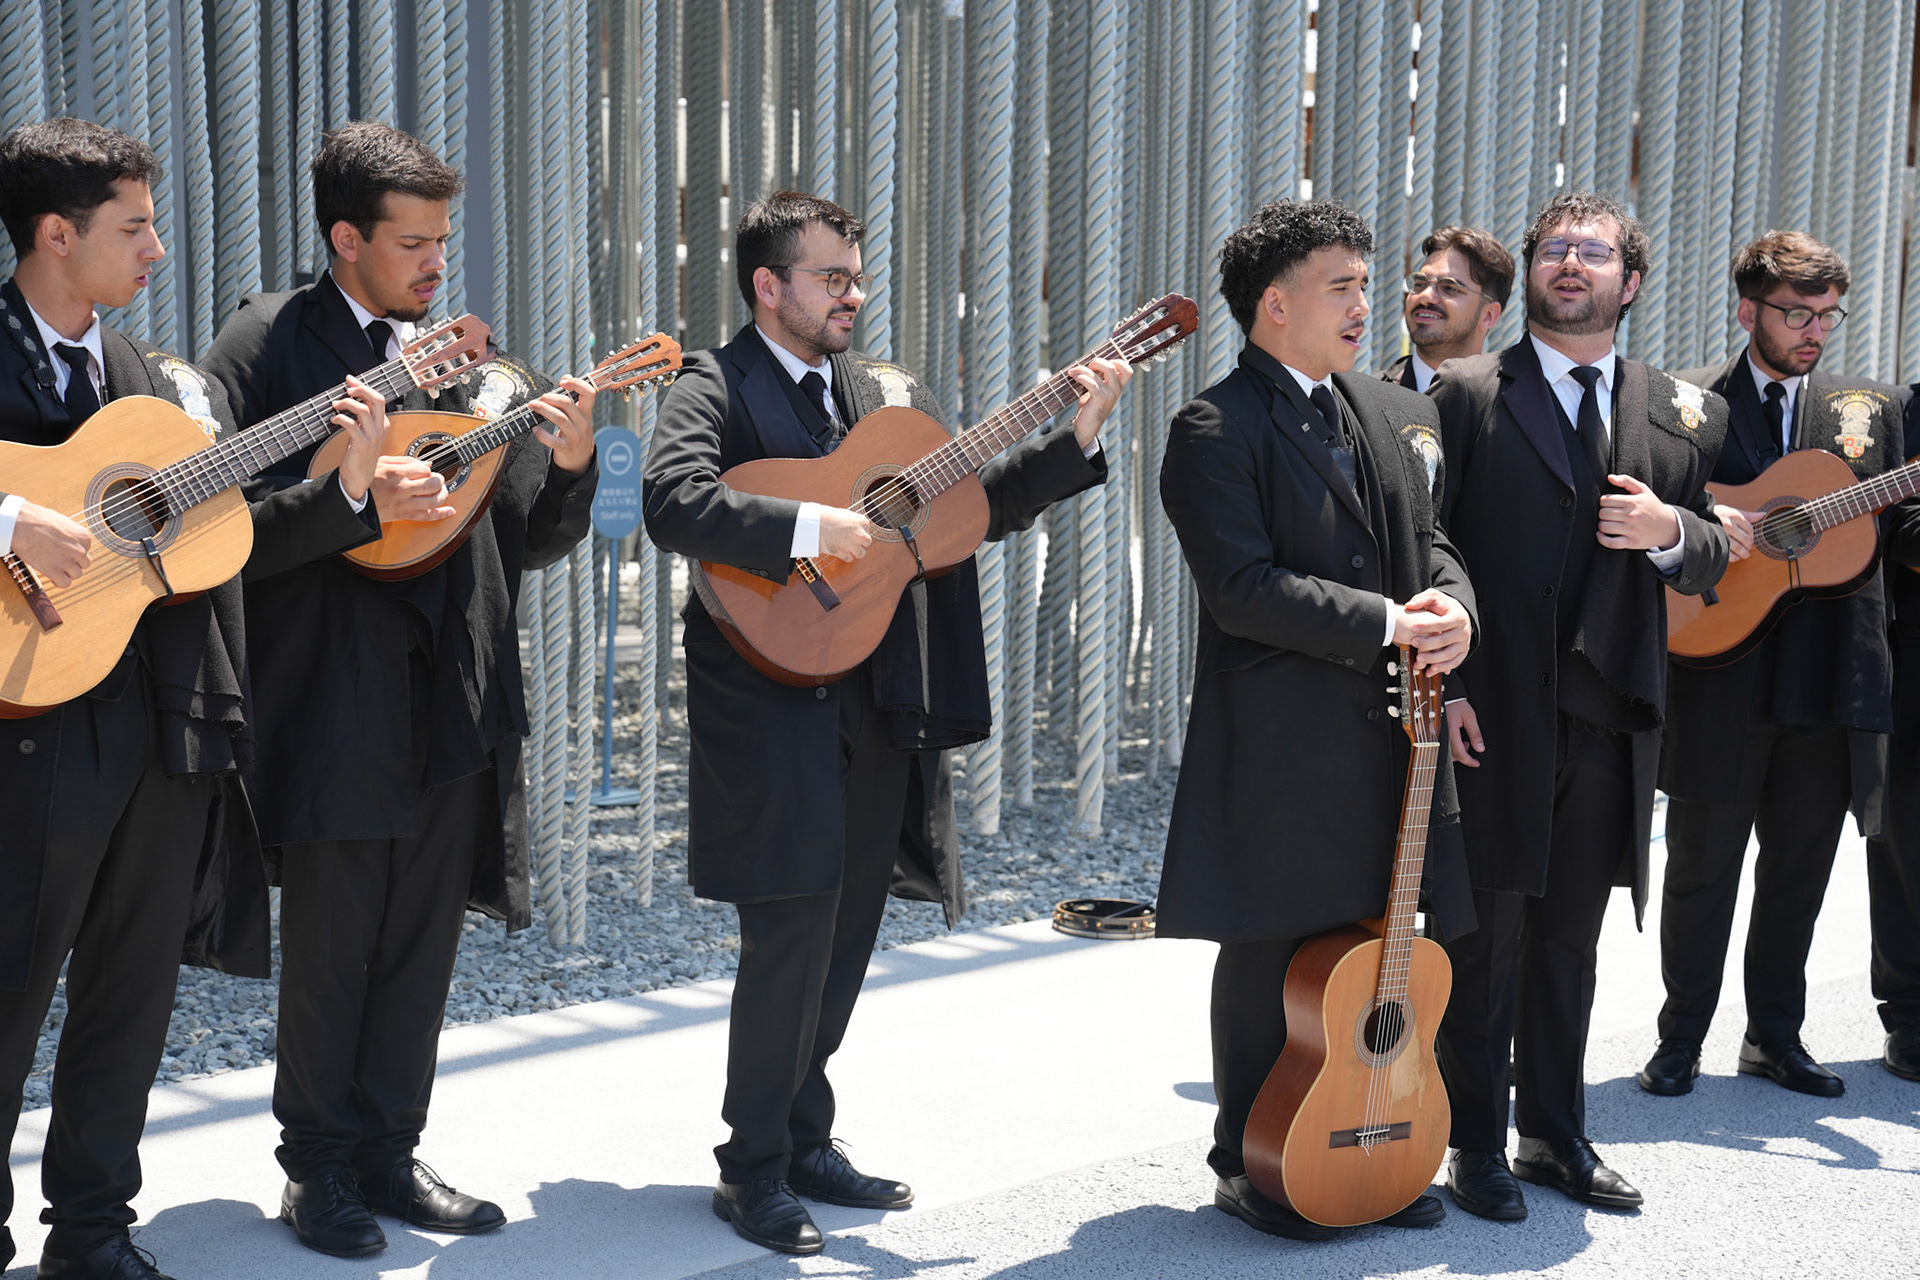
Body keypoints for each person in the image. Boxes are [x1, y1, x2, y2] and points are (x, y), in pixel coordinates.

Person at [643, 190, 1130, 1257]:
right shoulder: (710, 383)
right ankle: (751, 1167)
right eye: (832, 278)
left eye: (856, 278)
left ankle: (805, 1137)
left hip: (879, 691)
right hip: (767, 697)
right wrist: (810, 526)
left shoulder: (885, 392)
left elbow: (961, 516)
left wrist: (1076, 438)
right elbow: (673, 502)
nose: (853, 295)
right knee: (791, 928)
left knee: (851, 926)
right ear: (768, 284)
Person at [200, 120, 599, 1260]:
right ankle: (317, 1166)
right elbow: (219, 524)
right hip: (330, 684)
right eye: (413, 242)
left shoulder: (462, 355)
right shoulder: (266, 342)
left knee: (422, 936)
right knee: (335, 942)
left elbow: (521, 533)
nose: (435, 264)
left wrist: (569, 464)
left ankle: (389, 1149)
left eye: (442, 240)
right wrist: (353, 501)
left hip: (453, 682)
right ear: (346, 238)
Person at [0, 117, 383, 1280]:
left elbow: (227, 539)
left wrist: (346, 488)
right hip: (27, 722)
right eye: (134, 226)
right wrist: (11, 516)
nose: (157, 249)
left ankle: (92, 1230)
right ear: (55, 234)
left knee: (131, 987)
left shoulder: (162, 386)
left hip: (166, 718)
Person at [1156, 199, 1478, 1243]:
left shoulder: (1384, 408)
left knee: (1380, 937)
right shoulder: (1213, 426)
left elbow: (1432, 540)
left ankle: (1367, 1146)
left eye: (1364, 285)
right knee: (1274, 953)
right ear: (1275, 304)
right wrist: (1391, 620)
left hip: (1394, 740)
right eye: (1342, 286)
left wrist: (1455, 608)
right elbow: (1242, 589)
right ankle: (1251, 1160)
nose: (1364, 305)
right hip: (1282, 747)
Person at [1431, 191, 1729, 1220]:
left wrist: (1667, 531)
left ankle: (1554, 1132)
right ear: (1531, 274)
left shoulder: (1682, 410)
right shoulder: (1465, 392)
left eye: (1593, 253)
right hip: (1493, 713)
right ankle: (1475, 1142)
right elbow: (1422, 545)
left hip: (1610, 716)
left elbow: (1716, 544)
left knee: (1570, 940)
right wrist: (1447, 687)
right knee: (1486, 938)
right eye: (1554, 249)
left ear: (1630, 281)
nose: (1570, 264)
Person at [1647, 231, 1915, 1099]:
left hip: (1828, 672)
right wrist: (1710, 524)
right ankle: (1680, 1039)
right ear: (1747, 310)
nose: (1815, 332)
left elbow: (1896, 531)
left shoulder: (1872, 409)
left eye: (1828, 316)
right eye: (1797, 314)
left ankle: (1774, 1037)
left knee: (1798, 869)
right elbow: (1655, 511)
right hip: (1714, 666)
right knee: (1700, 869)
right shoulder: (1684, 402)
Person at [1866, 395, 1920, 1083]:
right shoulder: (1899, 414)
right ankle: (1911, 1010)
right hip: (1914, 652)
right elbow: (1899, 530)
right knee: (1906, 836)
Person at [1380, 225, 1513, 392]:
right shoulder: (1364, 399)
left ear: (1488, 315)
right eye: (1420, 283)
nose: (1426, 296)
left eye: (1449, 288)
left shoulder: (1511, 402)